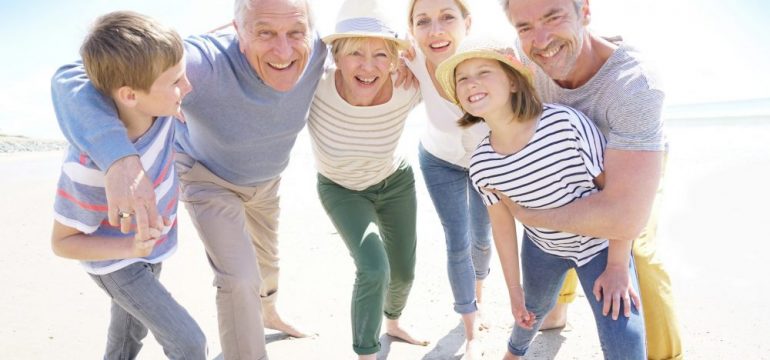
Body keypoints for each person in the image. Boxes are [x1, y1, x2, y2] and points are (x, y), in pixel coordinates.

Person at [50, 0, 327, 358]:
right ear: (237, 31)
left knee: (264, 269)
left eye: (295, 32)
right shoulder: (196, 68)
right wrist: (119, 157)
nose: (283, 49)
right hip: (207, 183)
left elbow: (366, 54)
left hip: (263, 185)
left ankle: (269, 311)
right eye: (264, 32)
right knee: (233, 288)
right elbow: (75, 76)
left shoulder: (319, 49)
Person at [436, 33, 646, 359]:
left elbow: (617, 196)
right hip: (542, 248)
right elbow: (503, 230)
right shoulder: (482, 165)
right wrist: (514, 292)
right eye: (462, 78)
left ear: (515, 82)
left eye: (483, 73)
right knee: (530, 310)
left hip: (601, 247)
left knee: (625, 340)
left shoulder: (566, 124)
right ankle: (514, 352)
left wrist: (618, 265)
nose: (471, 83)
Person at [501, 0, 682, 358]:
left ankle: (665, 354)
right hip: (571, 167)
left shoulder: (634, 85)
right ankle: (558, 308)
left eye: (554, 18)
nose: (541, 39)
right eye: (525, 27)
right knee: (565, 220)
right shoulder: (527, 64)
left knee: (638, 257)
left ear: (584, 10)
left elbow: (623, 215)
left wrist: (616, 265)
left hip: (630, 164)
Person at [50, 11, 206, 359]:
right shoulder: (88, 169)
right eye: (177, 81)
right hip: (117, 263)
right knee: (190, 343)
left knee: (127, 339)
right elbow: (62, 242)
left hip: (150, 251)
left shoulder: (162, 109)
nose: (188, 86)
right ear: (129, 95)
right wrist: (131, 250)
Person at [308, 0, 425, 358]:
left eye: (380, 55)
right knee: (375, 268)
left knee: (403, 273)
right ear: (336, 56)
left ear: (394, 60)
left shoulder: (408, 86)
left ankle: (393, 321)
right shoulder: (313, 88)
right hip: (341, 189)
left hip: (394, 181)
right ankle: (367, 351)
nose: (368, 66)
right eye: (355, 52)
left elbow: (453, 85)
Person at [405, 1, 492, 357]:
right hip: (439, 161)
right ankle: (470, 325)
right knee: (458, 240)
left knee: (482, 239)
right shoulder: (410, 58)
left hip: (486, 162)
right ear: (411, 29)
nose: (435, 30)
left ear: (467, 23)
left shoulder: (492, 59)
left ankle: (479, 296)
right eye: (422, 21)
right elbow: (356, 48)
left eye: (447, 17)